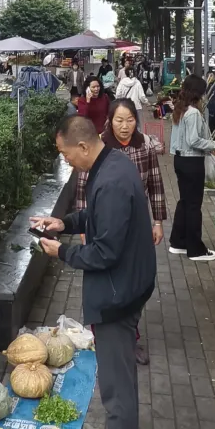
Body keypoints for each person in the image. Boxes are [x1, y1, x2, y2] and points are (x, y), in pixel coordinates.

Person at [33, 114, 157, 429]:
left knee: (117, 390)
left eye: (66, 154)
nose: (66, 160)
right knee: (121, 380)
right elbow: (99, 219)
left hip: (119, 296)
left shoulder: (112, 180)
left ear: (83, 146)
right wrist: (64, 223)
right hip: (127, 286)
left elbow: (105, 251)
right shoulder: (111, 164)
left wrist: (62, 252)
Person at [73, 97, 167, 364]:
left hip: (135, 226)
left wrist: (157, 222)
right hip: (105, 224)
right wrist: (83, 228)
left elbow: (156, 184)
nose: (125, 126)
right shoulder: (99, 148)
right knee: (106, 280)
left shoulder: (144, 146)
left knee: (133, 282)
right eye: (119, 120)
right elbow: (82, 188)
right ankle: (105, 333)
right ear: (109, 121)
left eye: (130, 120)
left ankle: (129, 336)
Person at [168, 74, 215, 261]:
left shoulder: (180, 109)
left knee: (185, 202)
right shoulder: (194, 113)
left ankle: (178, 242)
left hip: (180, 160)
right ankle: (195, 249)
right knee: (193, 206)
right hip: (192, 161)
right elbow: (194, 141)